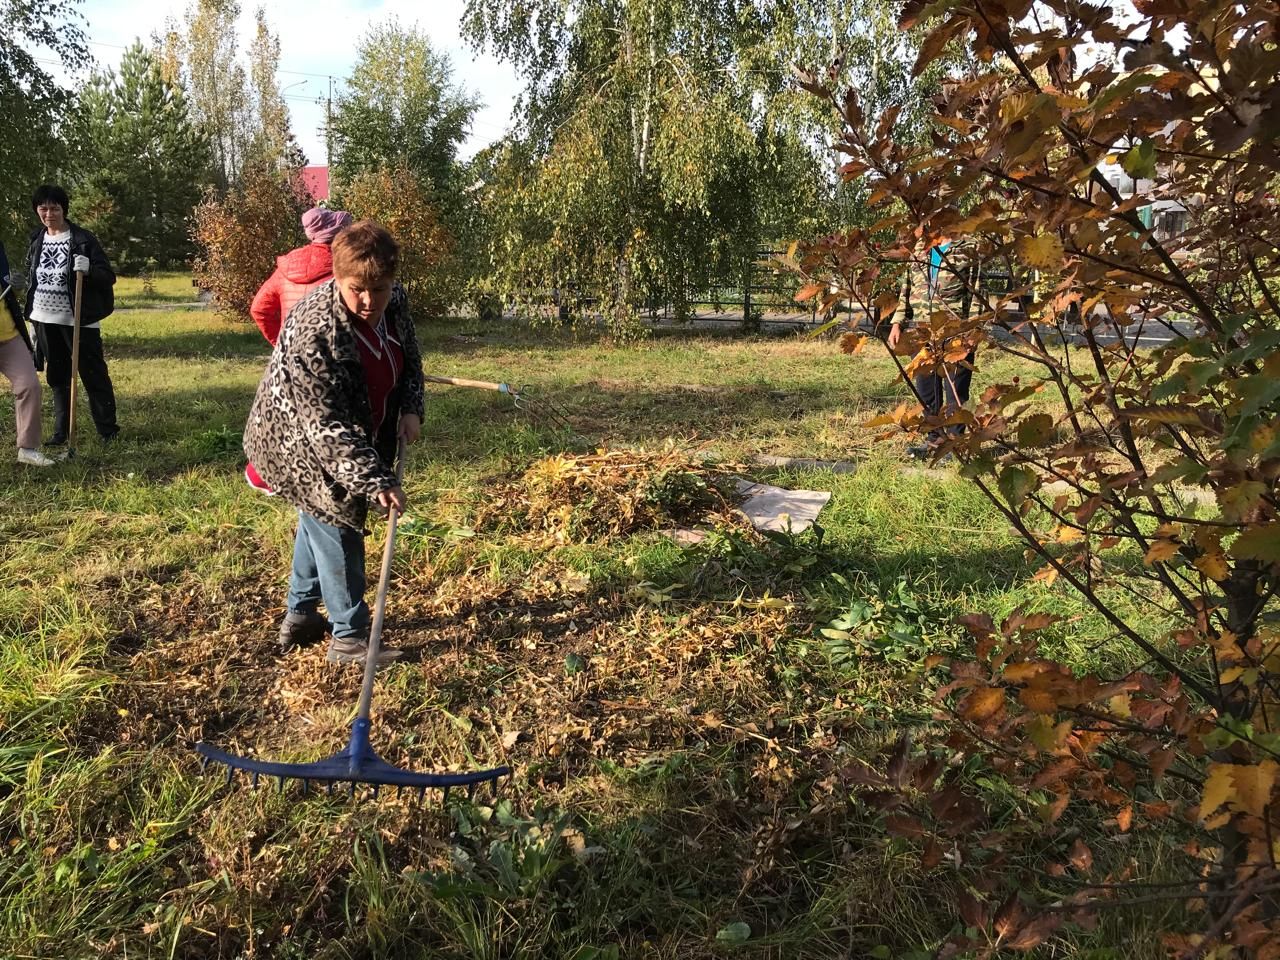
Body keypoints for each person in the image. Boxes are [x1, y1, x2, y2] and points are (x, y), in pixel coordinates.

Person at [243, 220, 424, 665]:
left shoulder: (393, 299)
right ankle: (350, 639)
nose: (367, 301)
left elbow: (410, 354)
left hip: (342, 438)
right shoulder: (315, 330)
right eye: (355, 288)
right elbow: (327, 426)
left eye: (378, 289)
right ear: (336, 277)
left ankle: (301, 616)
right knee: (338, 524)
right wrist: (377, 480)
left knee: (317, 522)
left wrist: (411, 406)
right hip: (296, 443)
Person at [25, 184, 119, 445]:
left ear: (64, 209)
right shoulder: (36, 239)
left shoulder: (83, 240)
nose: (48, 213)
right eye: (43, 208)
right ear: (37, 211)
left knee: (93, 374)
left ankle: (108, 431)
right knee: (57, 376)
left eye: (54, 208)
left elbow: (108, 277)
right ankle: (60, 432)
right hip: (44, 319)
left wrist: (89, 269)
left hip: (79, 320)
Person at [885, 241, 979, 459]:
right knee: (926, 389)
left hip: (955, 331)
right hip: (922, 332)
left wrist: (974, 330)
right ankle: (934, 441)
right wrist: (897, 322)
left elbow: (977, 291)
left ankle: (956, 445)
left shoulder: (967, 248)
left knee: (956, 389)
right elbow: (906, 290)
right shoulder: (918, 249)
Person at [249, 207, 353, 346]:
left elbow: (259, 309)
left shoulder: (285, 269)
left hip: (292, 355)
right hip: (334, 352)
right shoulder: (347, 268)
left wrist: (282, 344)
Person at [0, 241, 55, 467]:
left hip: (9, 334)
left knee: (29, 386)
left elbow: (6, 287)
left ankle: (28, 449)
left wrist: (16, 285)